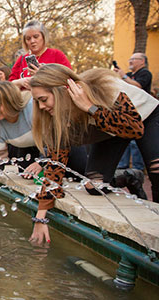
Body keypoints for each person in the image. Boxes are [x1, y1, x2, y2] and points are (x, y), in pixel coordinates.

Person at [29, 64, 159, 245]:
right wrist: (41, 216)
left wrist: (90, 107)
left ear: (62, 91)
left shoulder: (104, 88)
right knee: (94, 186)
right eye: (37, 102)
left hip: (143, 118)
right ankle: (130, 176)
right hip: (108, 130)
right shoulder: (57, 118)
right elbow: (55, 168)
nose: (41, 106)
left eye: (43, 99)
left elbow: (134, 130)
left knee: (156, 168)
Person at [0, 81, 86, 209]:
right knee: (26, 173)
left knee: (78, 177)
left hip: (65, 146)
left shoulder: (31, 109)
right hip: (32, 150)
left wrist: (42, 161)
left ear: (10, 101)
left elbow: (57, 139)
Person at [9, 20, 72, 90]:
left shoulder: (56, 55)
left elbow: (69, 79)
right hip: (25, 98)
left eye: (36, 37)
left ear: (43, 36)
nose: (32, 41)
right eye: (28, 38)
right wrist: (20, 82)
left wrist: (42, 77)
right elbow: (9, 85)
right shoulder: (21, 59)